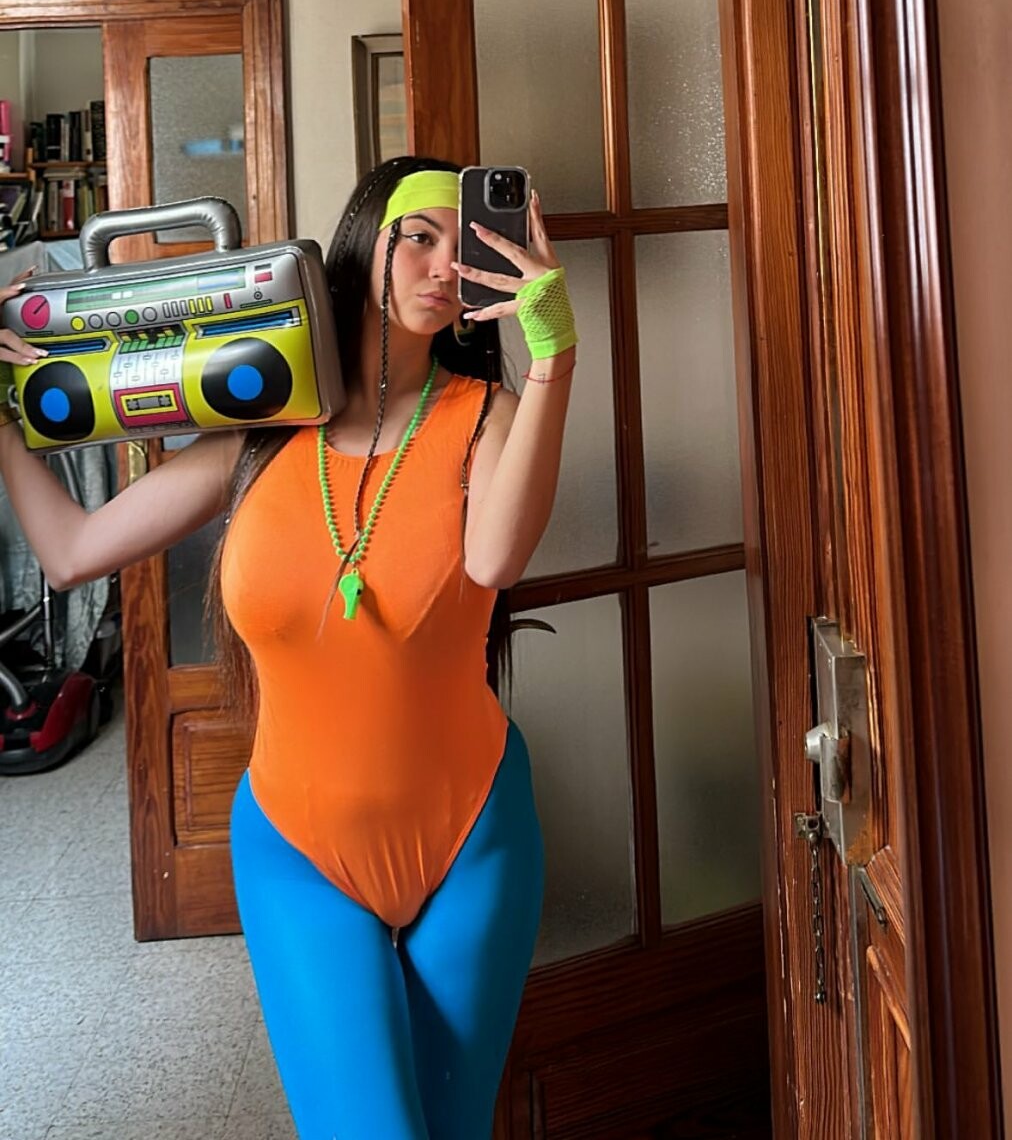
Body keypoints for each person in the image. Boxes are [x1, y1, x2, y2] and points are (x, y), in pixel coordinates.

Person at [0, 155, 578, 1140]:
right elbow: (71, 553)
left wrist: (553, 354)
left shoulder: (489, 417)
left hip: (474, 838)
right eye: (419, 237)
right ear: (362, 245)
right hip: (298, 850)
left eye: (466, 244)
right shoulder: (260, 430)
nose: (443, 265)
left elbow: (493, 557)